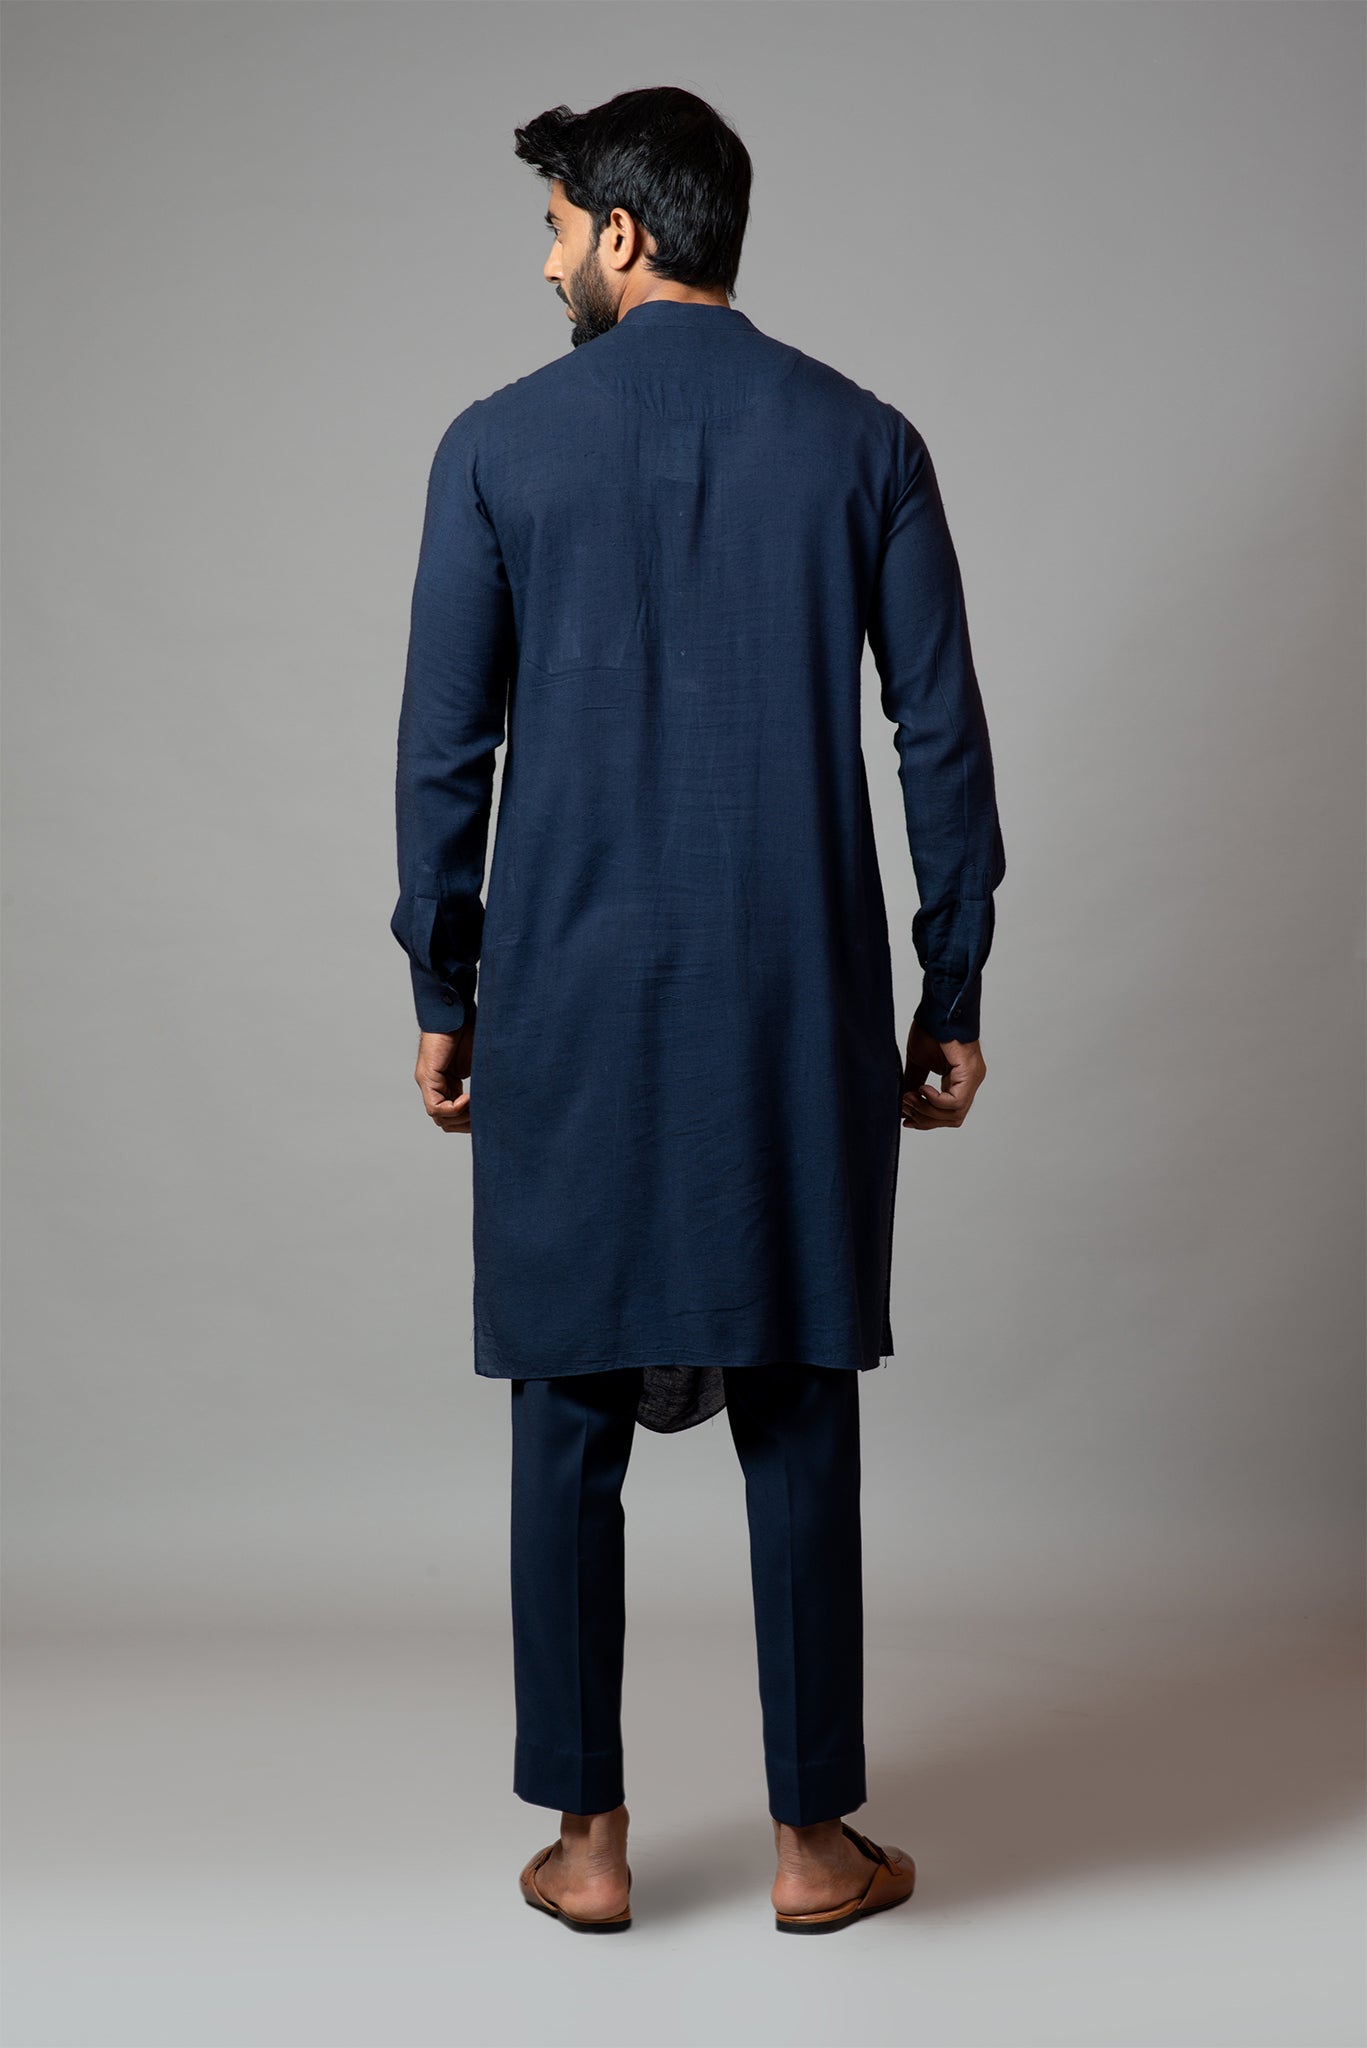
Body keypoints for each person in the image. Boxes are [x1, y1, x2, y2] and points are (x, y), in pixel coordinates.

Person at [390, 86, 1006, 1934]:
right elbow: (941, 736)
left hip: (569, 996)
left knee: (568, 1402)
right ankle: (816, 1845)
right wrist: (951, 976)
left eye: (555, 229)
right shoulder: (867, 440)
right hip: (795, 996)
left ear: (625, 233)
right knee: (796, 1395)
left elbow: (444, 753)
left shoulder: (496, 447)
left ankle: (587, 1845)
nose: (546, 264)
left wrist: (442, 979)